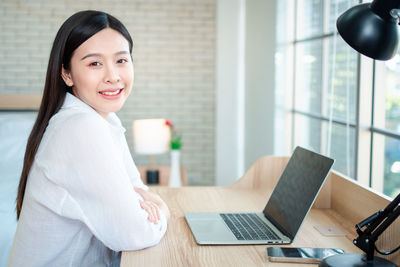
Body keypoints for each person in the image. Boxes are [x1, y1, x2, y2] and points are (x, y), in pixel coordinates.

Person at [8, 10, 170, 267]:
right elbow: (137, 231)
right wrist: (162, 208)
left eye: (121, 60)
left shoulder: (104, 120)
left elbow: (137, 192)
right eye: (95, 63)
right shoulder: (80, 128)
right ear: (67, 74)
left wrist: (143, 206)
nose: (113, 76)